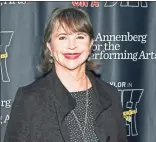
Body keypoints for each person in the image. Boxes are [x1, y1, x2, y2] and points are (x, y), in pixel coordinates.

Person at [4, 7, 128, 142]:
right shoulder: (30, 99)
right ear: (50, 47)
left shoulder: (110, 94)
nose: (72, 45)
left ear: (91, 44)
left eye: (80, 36)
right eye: (63, 37)